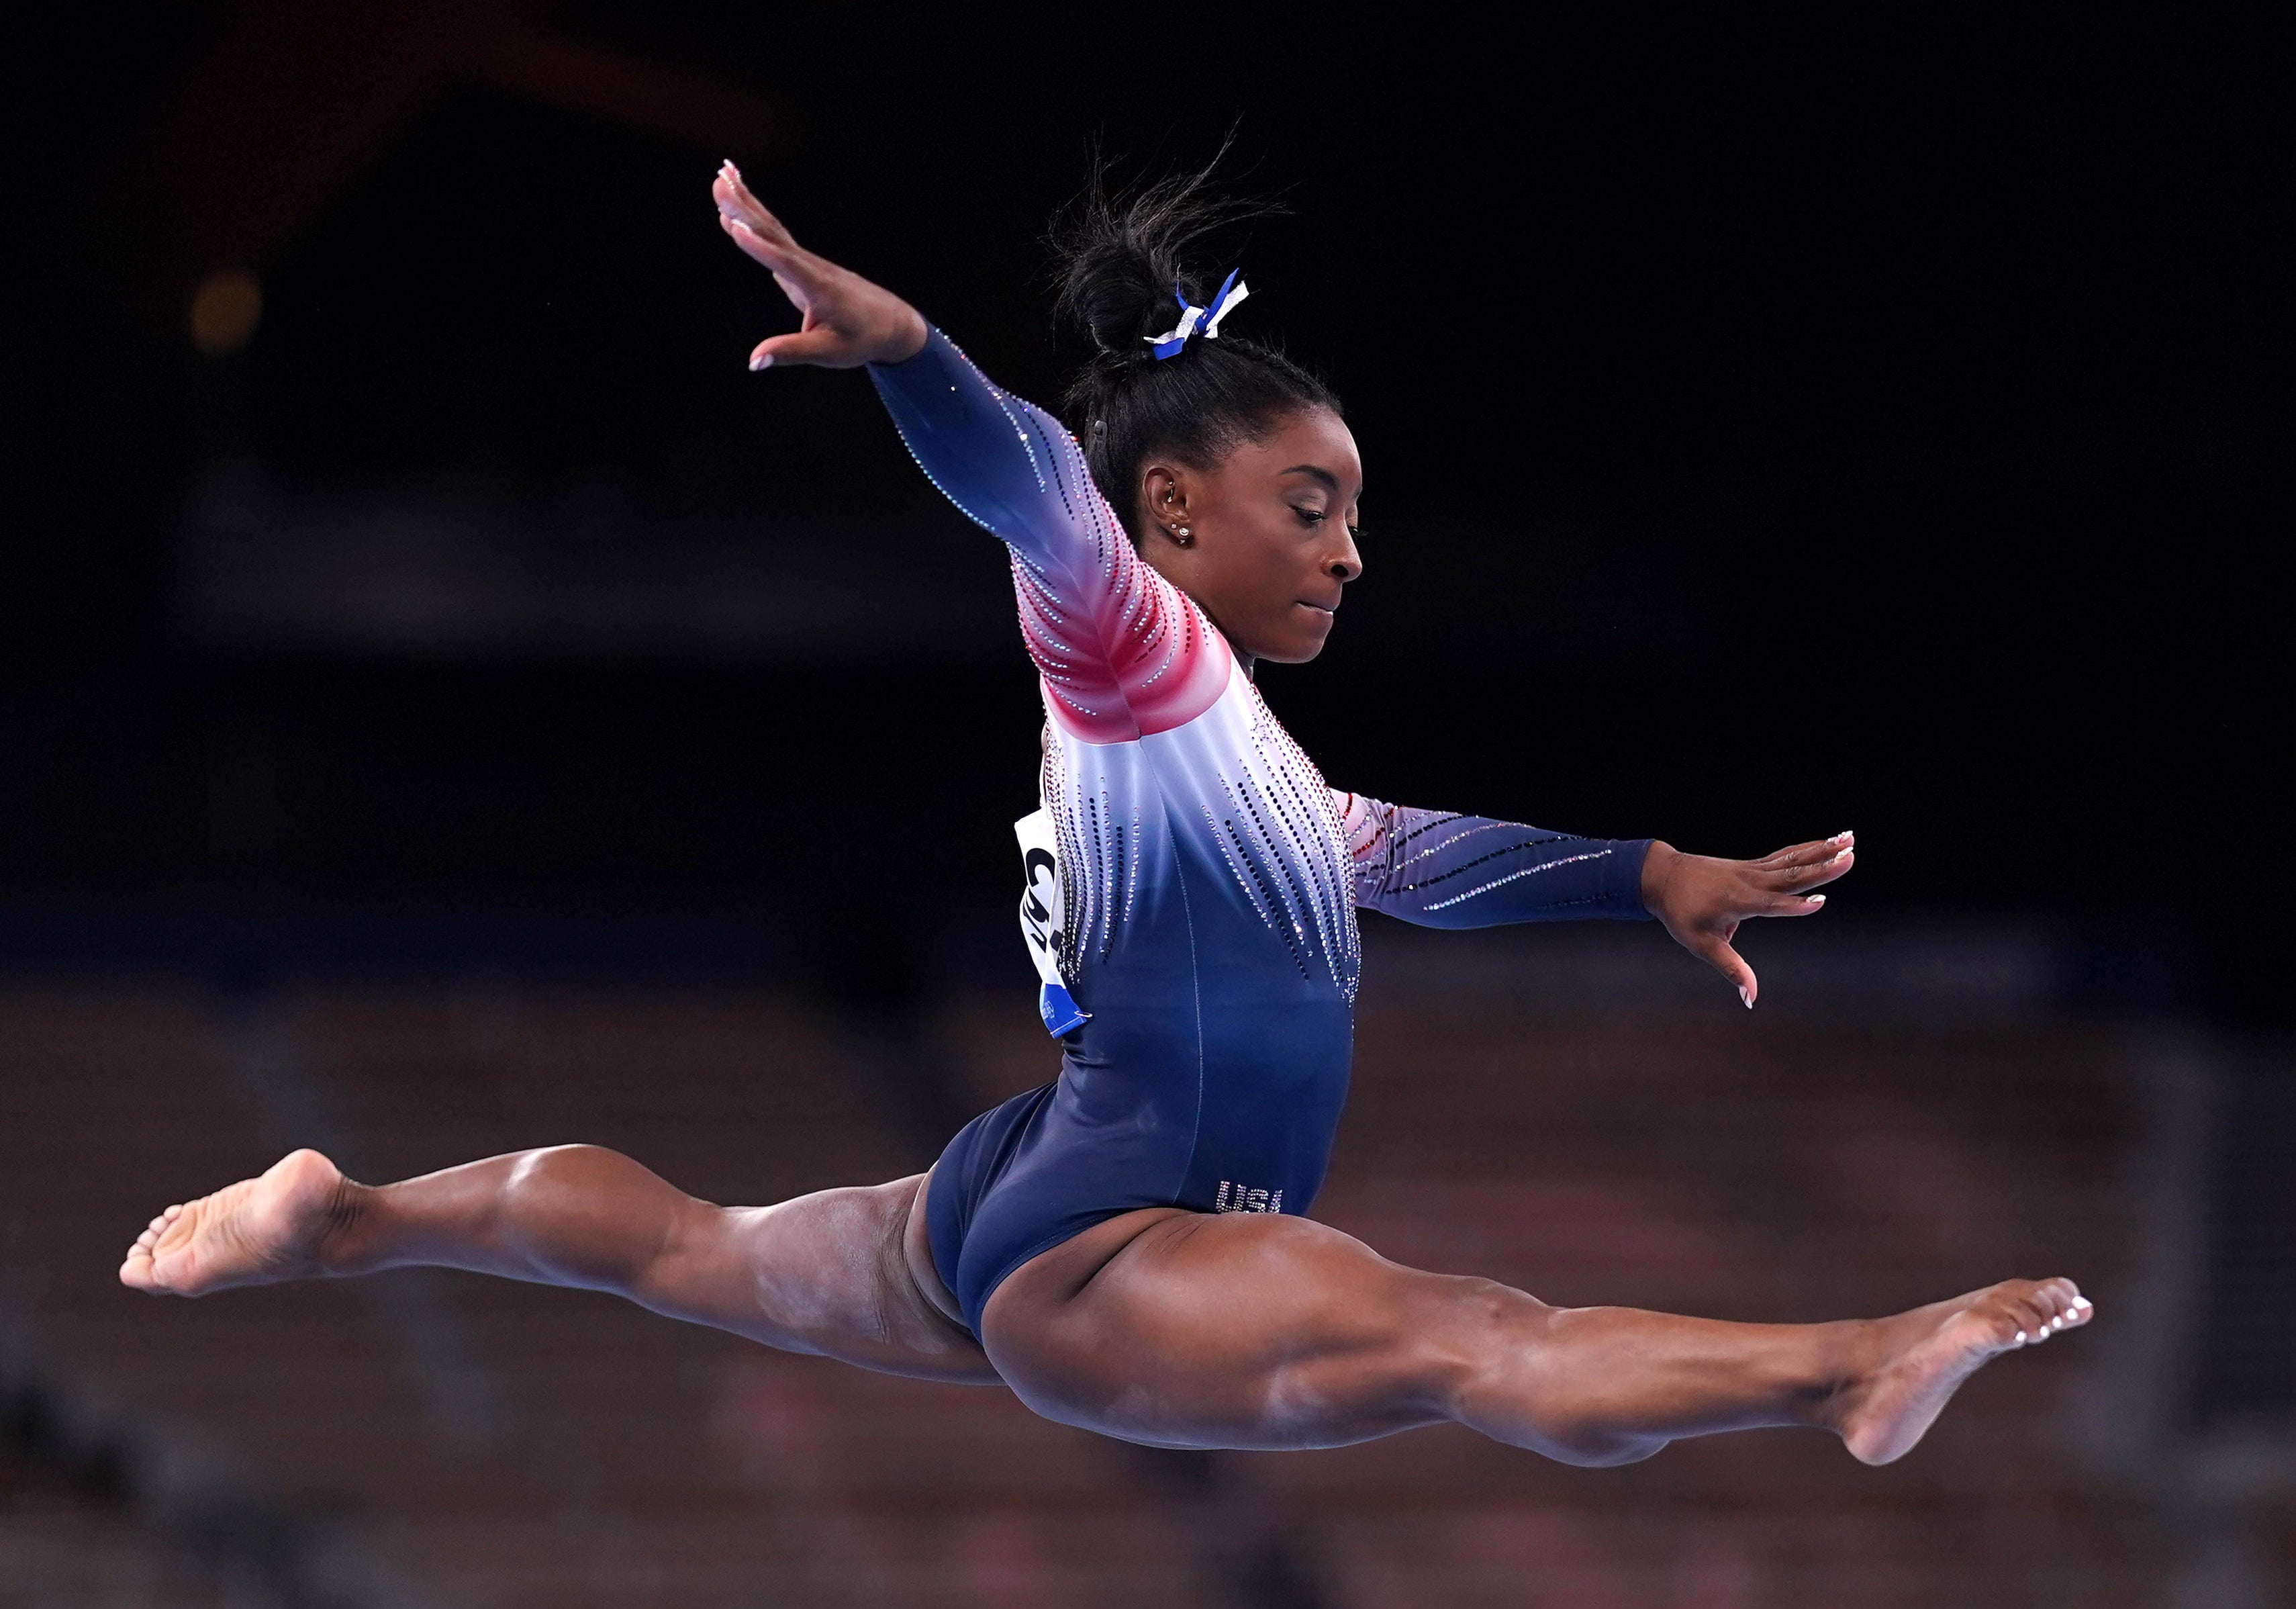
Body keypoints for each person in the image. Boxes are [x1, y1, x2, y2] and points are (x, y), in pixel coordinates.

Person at [121, 162, 2089, 1469]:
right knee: (1473, 1336)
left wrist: (1635, 874)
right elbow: (1032, 482)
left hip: (1038, 1187)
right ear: (1176, 514)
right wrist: (907, 359)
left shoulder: (1232, 760)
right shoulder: (1123, 634)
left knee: (678, 1243)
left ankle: (349, 1216)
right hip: (1112, 1237)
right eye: (1309, 505)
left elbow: (1399, 857)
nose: (1347, 551)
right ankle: (1845, 1355)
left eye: (1354, 516)